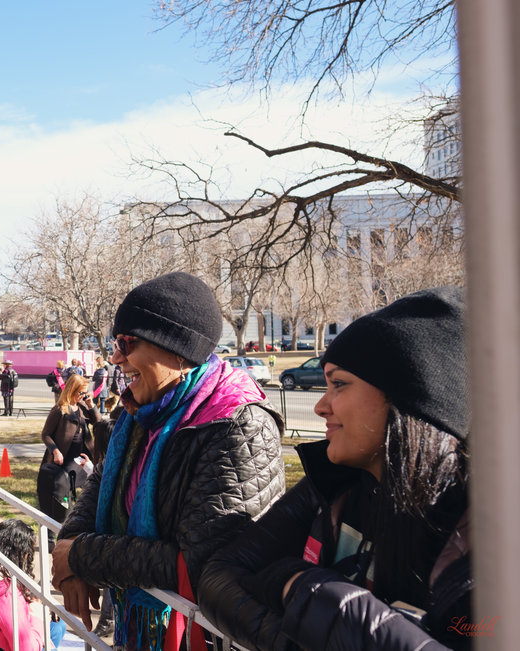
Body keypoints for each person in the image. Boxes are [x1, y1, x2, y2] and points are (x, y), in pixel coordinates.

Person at [197, 287, 472, 650]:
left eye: (339, 385)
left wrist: (308, 591)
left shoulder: (488, 536)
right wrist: (298, 636)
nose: (321, 407)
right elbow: (220, 574)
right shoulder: (331, 484)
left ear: (411, 401)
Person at [51, 272, 285, 650]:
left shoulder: (239, 424)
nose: (115, 358)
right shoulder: (139, 409)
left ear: (177, 350)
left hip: (203, 636)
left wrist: (81, 556)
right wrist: (72, 541)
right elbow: (101, 485)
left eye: (127, 343)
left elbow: (199, 565)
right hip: (145, 630)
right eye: (116, 342)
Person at [0, 519, 67, 651]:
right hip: (6, 646)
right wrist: (37, 614)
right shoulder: (5, 592)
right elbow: (26, 648)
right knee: (53, 631)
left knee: (57, 626)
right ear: (24, 555)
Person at [37, 374, 99, 547]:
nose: (84, 396)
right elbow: (45, 434)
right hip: (61, 459)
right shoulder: (59, 409)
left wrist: (91, 405)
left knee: (79, 496)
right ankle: (52, 533)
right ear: (72, 390)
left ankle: (73, 530)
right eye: (81, 393)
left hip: (80, 458)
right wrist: (55, 450)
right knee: (58, 496)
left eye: (86, 393)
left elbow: (99, 424)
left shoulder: (82, 407)